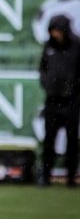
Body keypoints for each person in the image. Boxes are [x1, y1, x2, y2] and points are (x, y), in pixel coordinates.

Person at [38, 14, 80, 187]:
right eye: (52, 31)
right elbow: (42, 69)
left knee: (72, 140)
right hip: (52, 101)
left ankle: (71, 177)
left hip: (71, 101)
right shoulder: (49, 46)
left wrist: (73, 88)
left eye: (58, 30)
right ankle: (45, 176)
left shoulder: (77, 46)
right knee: (49, 139)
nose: (55, 34)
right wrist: (48, 84)